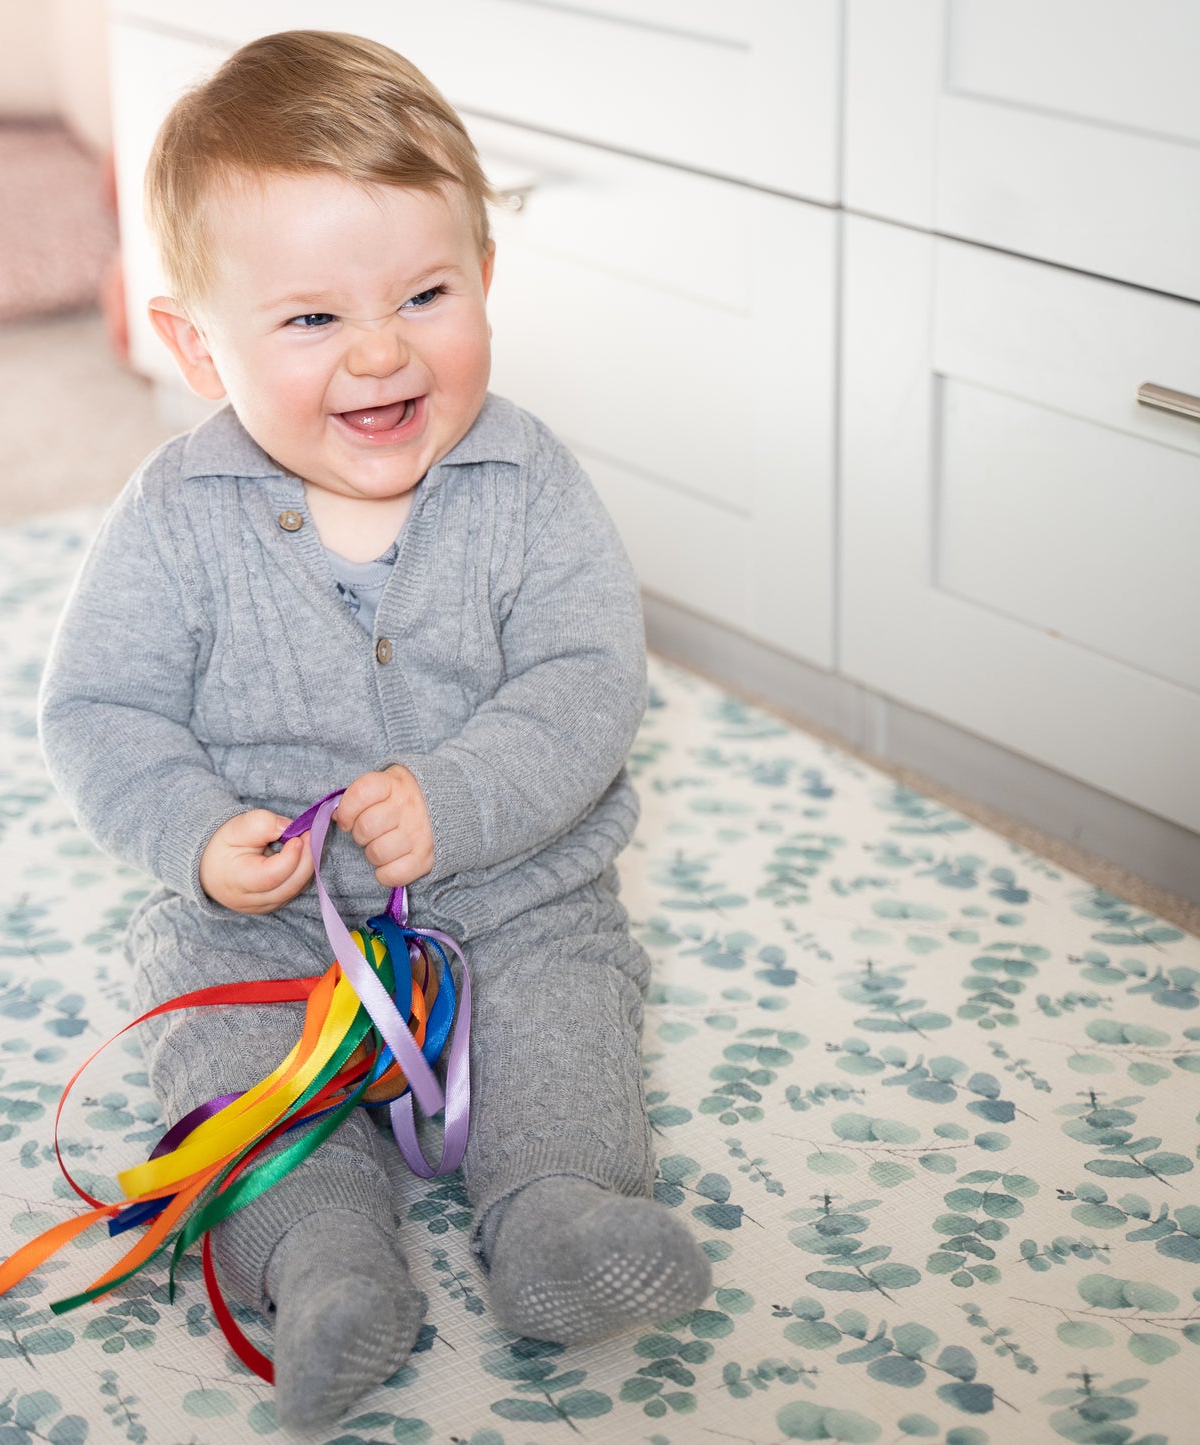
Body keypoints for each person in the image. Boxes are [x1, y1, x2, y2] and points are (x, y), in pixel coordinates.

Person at [38, 29, 711, 1432]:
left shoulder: (525, 478)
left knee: (572, 1032)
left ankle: (555, 1223)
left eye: (424, 291)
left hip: (513, 895)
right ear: (191, 343)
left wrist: (461, 795)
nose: (383, 349)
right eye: (309, 320)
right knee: (232, 1097)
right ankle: (329, 1269)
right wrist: (197, 837)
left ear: (484, 277)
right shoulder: (173, 515)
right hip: (261, 930)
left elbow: (588, 677)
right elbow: (101, 710)